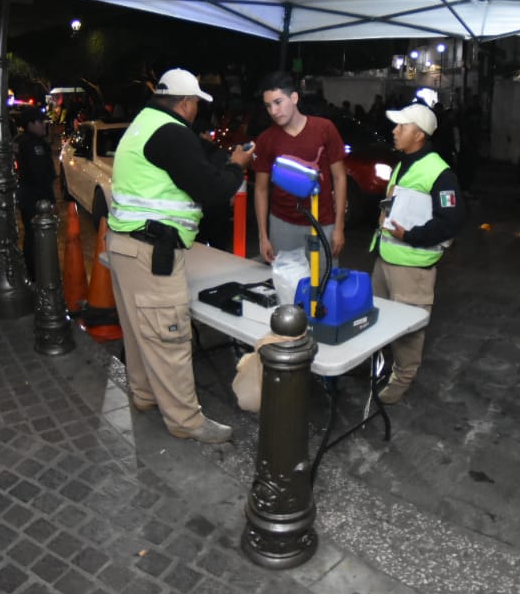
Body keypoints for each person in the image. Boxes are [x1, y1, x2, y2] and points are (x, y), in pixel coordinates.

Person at [106, 68, 255, 443]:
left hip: (125, 247)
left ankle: (143, 394)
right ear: (186, 103)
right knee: (169, 337)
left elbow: (198, 155)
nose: (196, 112)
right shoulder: (171, 133)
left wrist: (222, 154)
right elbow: (211, 189)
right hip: (151, 253)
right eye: (196, 105)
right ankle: (185, 420)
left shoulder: (144, 124)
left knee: (140, 331)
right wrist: (237, 167)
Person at [371, 102, 464, 405]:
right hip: (386, 258)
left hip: (412, 268)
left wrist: (410, 236)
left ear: (419, 134)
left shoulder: (440, 173)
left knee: (408, 331)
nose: (395, 131)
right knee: (378, 318)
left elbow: (451, 222)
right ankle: (379, 367)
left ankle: (402, 379)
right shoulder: (404, 163)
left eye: (402, 126)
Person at [252, 71, 347, 263]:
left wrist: (339, 227)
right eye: (268, 106)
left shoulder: (324, 129)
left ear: (294, 98)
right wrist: (263, 236)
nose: (273, 111)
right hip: (282, 223)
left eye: (278, 102)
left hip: (322, 222)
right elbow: (261, 189)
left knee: (324, 279)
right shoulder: (266, 139)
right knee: (286, 279)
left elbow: (339, 177)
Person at [15, 106, 57, 279]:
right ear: (31, 124)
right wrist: (50, 200)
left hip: (27, 195)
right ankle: (38, 272)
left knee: (32, 234)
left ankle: (35, 270)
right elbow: (40, 175)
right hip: (35, 197)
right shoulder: (33, 144)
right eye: (40, 122)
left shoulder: (22, 141)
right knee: (36, 235)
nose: (44, 125)